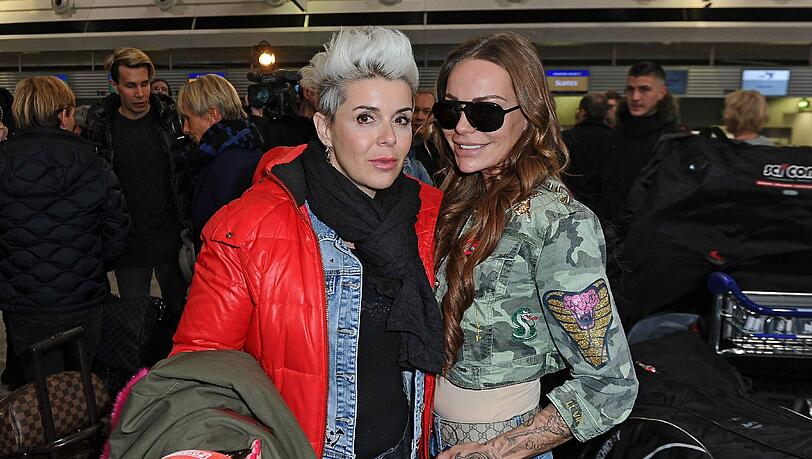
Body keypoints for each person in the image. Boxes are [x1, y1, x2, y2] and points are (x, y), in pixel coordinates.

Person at [171, 26, 444, 459]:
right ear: (324, 127)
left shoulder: (430, 214)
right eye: (365, 118)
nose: (390, 138)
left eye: (402, 119)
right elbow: (198, 374)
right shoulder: (248, 228)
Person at [428, 32, 637, 458]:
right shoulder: (453, 202)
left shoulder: (558, 222)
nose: (462, 128)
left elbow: (610, 386)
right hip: (431, 437)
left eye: (485, 112)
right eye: (450, 110)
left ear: (530, 115)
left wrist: (496, 451)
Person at [0, 76, 129, 384]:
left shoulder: (3, 161)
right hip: (84, 299)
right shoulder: (93, 162)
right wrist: (89, 264)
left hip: (25, 303)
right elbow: (117, 231)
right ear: (64, 113)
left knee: (41, 390)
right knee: (83, 386)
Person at [86, 47, 189, 322]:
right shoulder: (102, 126)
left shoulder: (169, 119)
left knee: (182, 319)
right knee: (135, 325)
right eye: (131, 86)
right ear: (115, 85)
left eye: (145, 84)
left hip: (171, 239)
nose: (141, 93)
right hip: (128, 245)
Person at [177, 74, 264, 252]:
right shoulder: (229, 154)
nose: (185, 129)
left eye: (188, 119)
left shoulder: (230, 166)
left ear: (212, 115)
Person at [590, 62, 680, 223]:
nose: (635, 97)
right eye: (630, 89)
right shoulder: (611, 138)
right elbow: (595, 186)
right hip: (607, 229)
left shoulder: (674, 141)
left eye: (644, 89)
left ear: (661, 93)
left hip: (652, 230)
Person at [562, 92, 611, 204]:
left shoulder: (567, 136)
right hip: (603, 203)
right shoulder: (614, 138)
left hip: (571, 200)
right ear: (605, 113)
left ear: (583, 111)